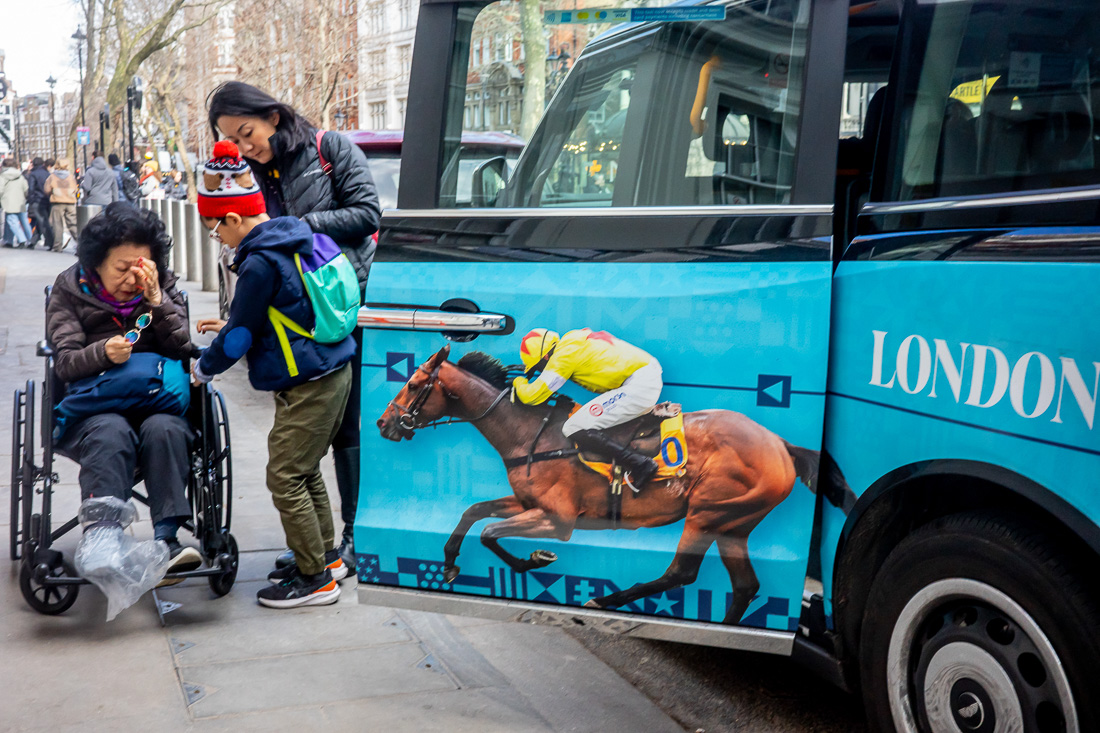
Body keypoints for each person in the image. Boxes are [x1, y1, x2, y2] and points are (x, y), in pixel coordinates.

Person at [208, 80, 380, 568]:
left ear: (272, 117)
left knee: (346, 427)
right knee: (306, 439)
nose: (246, 148)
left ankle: (354, 534)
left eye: (248, 133)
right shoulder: (257, 173)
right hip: (296, 321)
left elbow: (368, 214)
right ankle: (318, 546)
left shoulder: (330, 149)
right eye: (235, 141)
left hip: (341, 305)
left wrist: (300, 227)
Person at [191, 141, 355, 608]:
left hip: (309, 381)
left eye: (214, 227)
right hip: (329, 368)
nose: (216, 236)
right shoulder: (291, 236)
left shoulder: (259, 261)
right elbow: (285, 310)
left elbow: (240, 337)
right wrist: (236, 324)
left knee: (284, 475)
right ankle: (325, 556)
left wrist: (204, 369)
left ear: (235, 218)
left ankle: (314, 580)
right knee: (304, 471)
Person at [46, 202, 202, 576]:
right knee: (109, 431)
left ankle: (167, 538)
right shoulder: (69, 291)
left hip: (158, 401)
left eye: (141, 268)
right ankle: (102, 536)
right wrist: (102, 352)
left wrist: (157, 301)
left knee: (164, 429)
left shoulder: (160, 288)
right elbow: (65, 362)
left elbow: (184, 349)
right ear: (96, 261)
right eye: (122, 268)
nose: (133, 278)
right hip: (94, 408)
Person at [512, 328, 664, 490]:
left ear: (546, 356)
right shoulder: (573, 337)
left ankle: (640, 464)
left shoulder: (563, 357)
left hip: (640, 385)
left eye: (539, 367)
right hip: (645, 373)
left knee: (574, 427)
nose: (541, 371)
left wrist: (518, 382)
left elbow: (532, 396)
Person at [45, 157, 79, 251]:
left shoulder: (52, 176)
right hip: (70, 202)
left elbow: (47, 189)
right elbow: (75, 189)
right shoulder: (70, 176)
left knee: (57, 224)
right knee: (73, 224)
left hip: (57, 202)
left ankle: (57, 246)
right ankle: (80, 243)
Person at [1, 158, 33, 247]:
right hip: (21, 201)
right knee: (24, 221)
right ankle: (30, 240)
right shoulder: (20, 175)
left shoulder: (3, 176)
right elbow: (26, 188)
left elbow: (0, 189)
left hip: (8, 201)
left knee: (12, 221)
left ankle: (21, 239)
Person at [26, 157, 53, 250]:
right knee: (42, 221)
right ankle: (33, 241)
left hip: (37, 201)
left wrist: (31, 200)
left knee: (43, 222)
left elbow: (31, 189)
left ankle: (51, 242)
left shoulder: (33, 174)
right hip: (47, 200)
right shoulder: (47, 174)